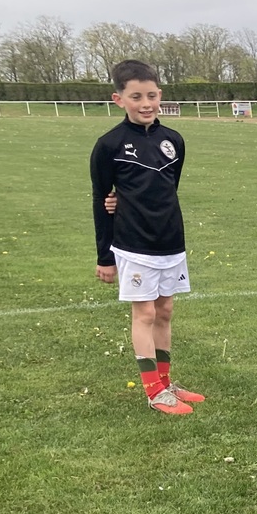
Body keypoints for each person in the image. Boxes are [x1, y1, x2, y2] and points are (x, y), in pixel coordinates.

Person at [91, 59, 203, 415]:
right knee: (145, 314)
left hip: (170, 240)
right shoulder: (109, 145)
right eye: (136, 96)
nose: (145, 104)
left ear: (160, 95)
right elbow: (100, 200)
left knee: (165, 310)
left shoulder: (174, 140)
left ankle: (167, 382)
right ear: (119, 99)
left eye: (151, 96)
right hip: (133, 244)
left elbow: (167, 189)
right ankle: (154, 392)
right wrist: (105, 257)